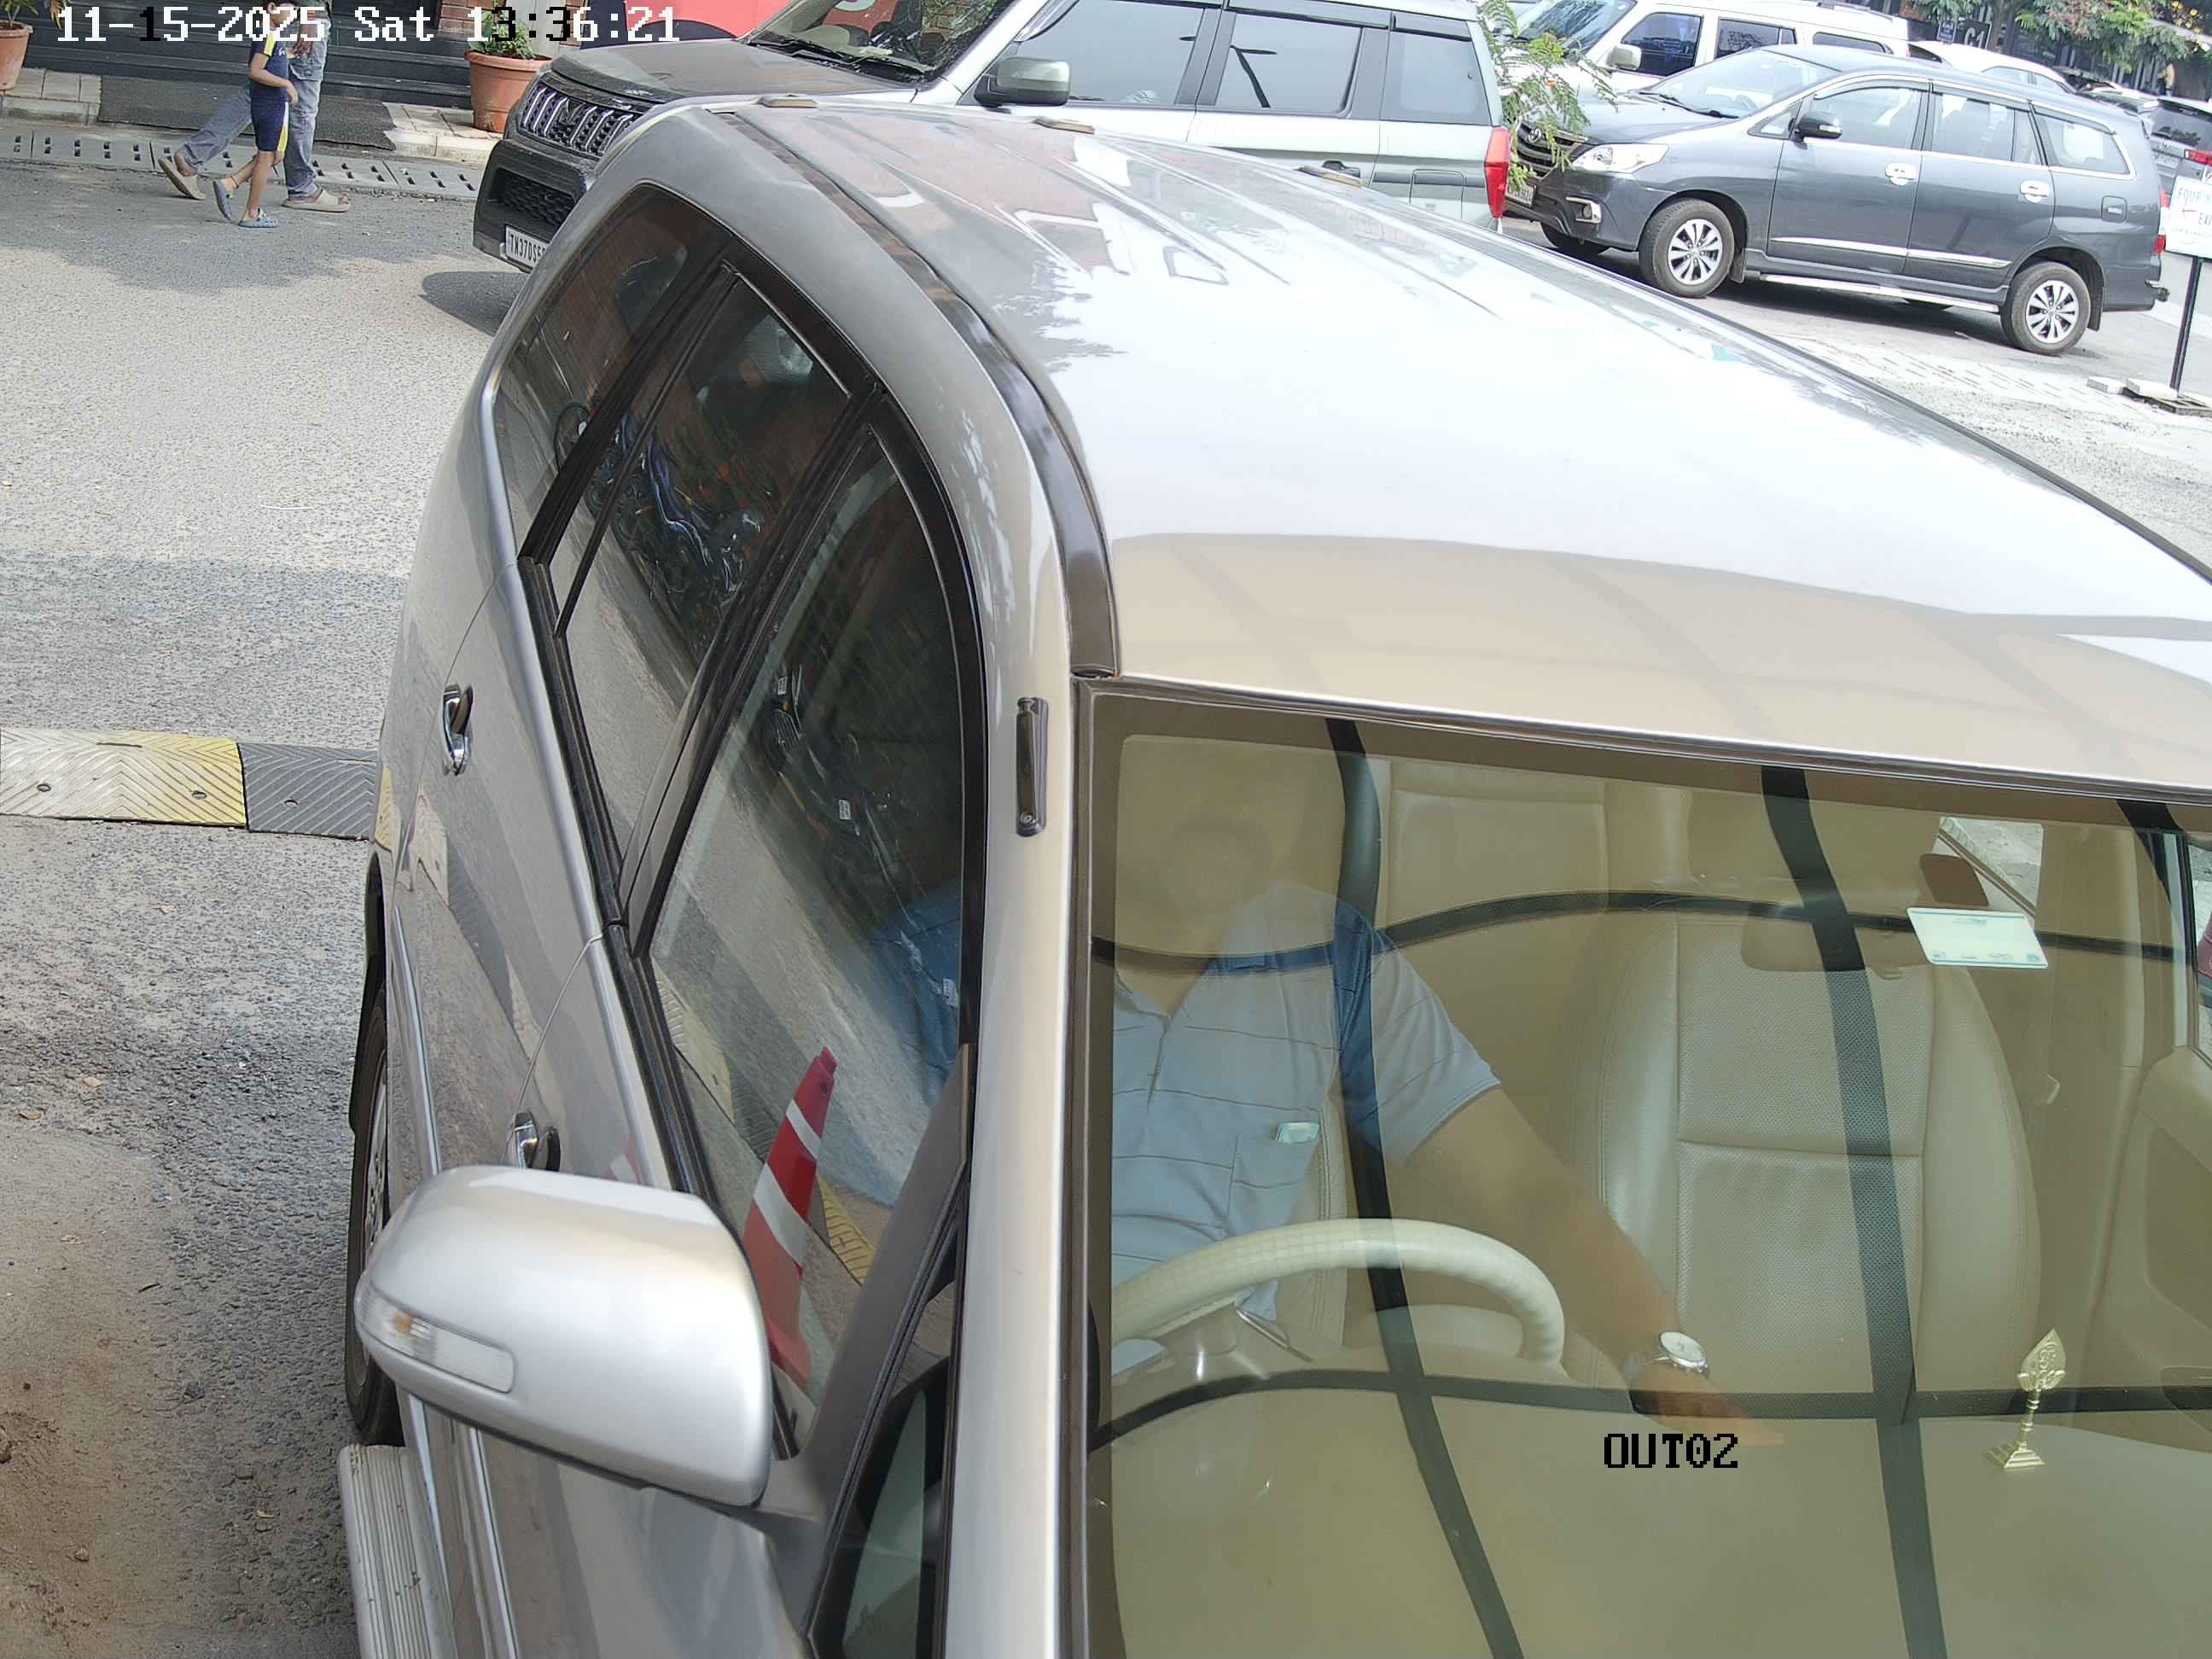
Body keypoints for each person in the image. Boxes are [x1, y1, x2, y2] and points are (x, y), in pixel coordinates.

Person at [154, 1, 351, 215]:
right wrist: (309, 14)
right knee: (301, 106)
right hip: (305, 17)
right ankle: (301, 189)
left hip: (293, 15)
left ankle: (192, 157)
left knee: (259, 92)